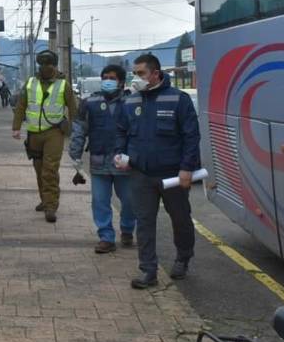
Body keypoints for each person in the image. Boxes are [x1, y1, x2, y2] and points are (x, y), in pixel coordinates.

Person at [114, 54, 200, 289]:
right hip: (140, 173)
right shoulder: (130, 102)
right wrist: (120, 154)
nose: (137, 78)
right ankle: (148, 270)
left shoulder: (178, 100)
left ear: (155, 73)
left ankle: (183, 258)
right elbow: (120, 131)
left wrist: (186, 169)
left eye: (141, 73)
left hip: (172, 174)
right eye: (135, 73)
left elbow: (191, 137)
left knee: (181, 218)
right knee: (144, 222)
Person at [69, 65, 136, 254]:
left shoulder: (132, 102)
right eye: (105, 77)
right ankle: (106, 237)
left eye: (112, 78)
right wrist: (75, 154)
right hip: (99, 159)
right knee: (99, 201)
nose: (107, 80)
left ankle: (127, 229)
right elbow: (79, 128)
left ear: (121, 82)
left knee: (130, 200)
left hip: (124, 162)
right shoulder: (89, 102)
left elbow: (140, 132)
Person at [12, 50, 79, 223]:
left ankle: (51, 206)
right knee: (39, 169)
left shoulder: (63, 85)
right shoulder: (30, 83)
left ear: (55, 65)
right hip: (34, 133)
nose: (46, 68)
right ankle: (45, 199)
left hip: (54, 132)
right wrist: (16, 127)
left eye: (49, 64)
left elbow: (73, 108)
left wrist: (74, 129)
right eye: (42, 64)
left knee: (49, 170)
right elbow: (21, 105)